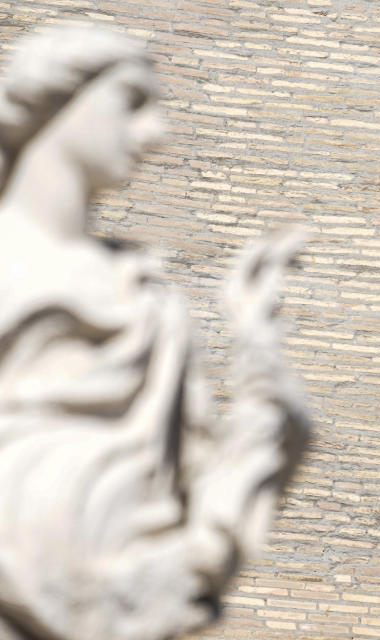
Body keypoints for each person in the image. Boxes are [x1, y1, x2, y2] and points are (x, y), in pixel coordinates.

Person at [0, 25, 309, 640]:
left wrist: (255, 344)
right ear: (57, 96)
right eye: (132, 102)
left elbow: (204, 498)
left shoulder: (148, 301)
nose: (154, 134)